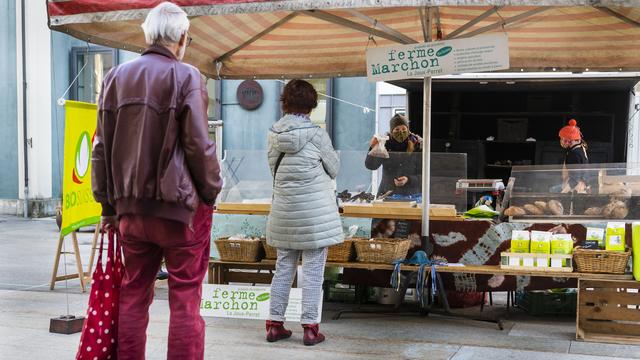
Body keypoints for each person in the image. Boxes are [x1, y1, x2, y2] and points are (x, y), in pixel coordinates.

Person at [91, 3, 222, 359]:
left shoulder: (114, 77)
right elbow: (198, 144)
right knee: (185, 298)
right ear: (181, 37)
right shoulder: (187, 76)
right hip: (179, 211)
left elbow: (100, 147)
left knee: (133, 293)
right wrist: (211, 190)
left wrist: (106, 205)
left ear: (148, 35)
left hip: (130, 211)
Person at [265, 79, 343, 346]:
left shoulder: (273, 134)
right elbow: (333, 169)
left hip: (285, 212)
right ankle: (310, 329)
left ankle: (274, 325)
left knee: (283, 268)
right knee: (312, 271)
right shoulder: (317, 135)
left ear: (285, 103)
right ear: (311, 105)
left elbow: (274, 171)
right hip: (314, 217)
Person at [365, 114, 423, 197]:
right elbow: (371, 166)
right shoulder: (384, 143)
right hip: (387, 193)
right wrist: (372, 147)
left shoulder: (417, 145)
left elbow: (425, 174)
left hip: (412, 195)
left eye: (403, 129)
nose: (401, 132)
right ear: (392, 130)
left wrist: (408, 179)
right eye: (397, 129)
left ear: (408, 129)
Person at [559, 119, 589, 193]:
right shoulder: (581, 148)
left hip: (575, 189)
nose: (561, 141)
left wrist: (564, 191)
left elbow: (575, 178)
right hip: (581, 186)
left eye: (562, 138)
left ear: (569, 140)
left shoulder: (574, 154)